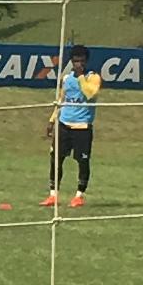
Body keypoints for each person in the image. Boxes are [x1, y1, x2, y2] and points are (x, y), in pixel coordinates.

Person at [41, 43, 99, 208]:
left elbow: (90, 94)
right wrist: (52, 119)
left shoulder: (93, 78)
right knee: (56, 159)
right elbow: (62, 100)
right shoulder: (66, 78)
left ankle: (79, 195)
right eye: (75, 61)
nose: (78, 64)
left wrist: (81, 76)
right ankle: (53, 195)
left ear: (86, 61)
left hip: (82, 127)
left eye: (81, 61)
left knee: (82, 161)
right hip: (64, 125)